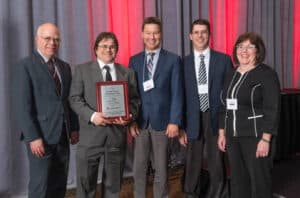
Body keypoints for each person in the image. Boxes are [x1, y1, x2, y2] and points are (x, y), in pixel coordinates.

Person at [69, 32, 140, 198]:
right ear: (96, 49)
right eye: (104, 46)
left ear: (116, 50)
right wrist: (93, 116)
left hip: (116, 137)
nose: (108, 50)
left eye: (112, 47)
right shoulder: (82, 70)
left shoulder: (127, 73)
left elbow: (135, 101)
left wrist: (129, 115)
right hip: (90, 137)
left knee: (113, 187)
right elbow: (74, 99)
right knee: (86, 186)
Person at [12, 23, 79, 198]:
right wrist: (33, 137)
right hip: (40, 136)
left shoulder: (64, 67)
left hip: (63, 134)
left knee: (59, 184)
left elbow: (68, 100)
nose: (52, 43)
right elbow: (22, 107)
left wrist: (74, 128)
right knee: (40, 186)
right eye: (47, 38)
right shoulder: (25, 66)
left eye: (56, 39)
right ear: (37, 39)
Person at [218, 32, 281, 198]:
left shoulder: (267, 74)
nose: (244, 51)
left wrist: (266, 139)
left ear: (257, 51)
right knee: (238, 181)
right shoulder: (231, 73)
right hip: (232, 137)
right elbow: (224, 105)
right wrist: (222, 132)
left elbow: (272, 108)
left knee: (259, 182)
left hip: (256, 137)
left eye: (249, 47)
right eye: (240, 46)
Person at [129, 16, 184, 198]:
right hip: (140, 123)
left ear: (161, 34)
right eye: (148, 33)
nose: (152, 37)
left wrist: (174, 121)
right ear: (142, 34)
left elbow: (177, 93)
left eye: (156, 33)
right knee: (139, 169)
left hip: (164, 123)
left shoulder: (173, 60)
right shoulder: (134, 60)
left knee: (161, 169)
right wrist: (131, 121)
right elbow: (131, 94)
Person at [179, 19, 233, 198]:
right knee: (192, 160)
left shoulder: (224, 60)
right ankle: (190, 193)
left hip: (216, 116)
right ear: (190, 36)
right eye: (196, 32)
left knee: (216, 160)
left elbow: (230, 92)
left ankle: (218, 194)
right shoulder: (183, 63)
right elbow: (180, 96)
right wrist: (180, 127)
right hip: (192, 117)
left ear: (210, 35)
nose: (200, 35)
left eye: (204, 32)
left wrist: (225, 125)